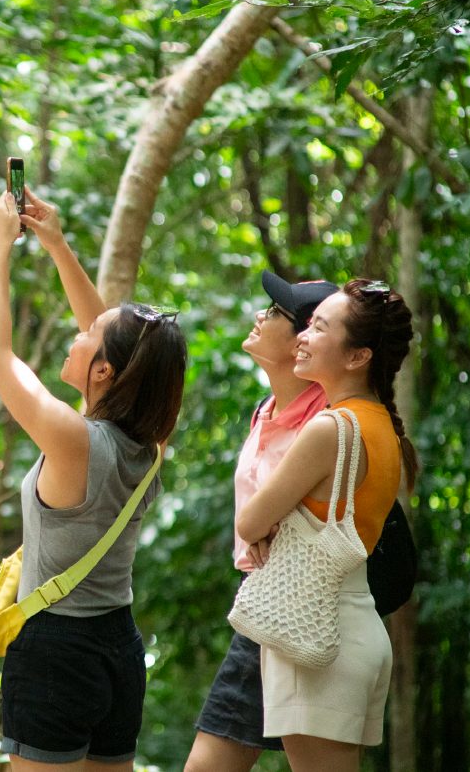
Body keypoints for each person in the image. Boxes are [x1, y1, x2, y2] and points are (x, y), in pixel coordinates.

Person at [0, 187, 187, 771]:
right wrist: (57, 245)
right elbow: (113, 339)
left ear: (102, 371)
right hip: (119, 646)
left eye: (86, 337)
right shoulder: (149, 444)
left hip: (56, 652)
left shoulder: (75, 442)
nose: (79, 330)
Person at [236, 279, 416, 771]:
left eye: (318, 327)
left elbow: (250, 519)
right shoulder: (378, 424)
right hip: (355, 628)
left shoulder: (329, 429)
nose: (302, 337)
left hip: (313, 633)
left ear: (358, 356)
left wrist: (268, 526)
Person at [185, 272, 337, 772]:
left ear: (304, 340)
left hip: (299, 607)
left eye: (274, 312)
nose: (259, 314)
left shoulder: (329, 418)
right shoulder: (264, 409)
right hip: (262, 605)